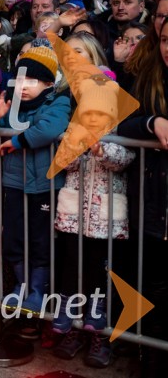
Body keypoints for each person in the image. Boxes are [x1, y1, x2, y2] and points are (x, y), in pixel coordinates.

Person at [52, 77, 134, 368]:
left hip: (105, 221)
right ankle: (72, 326)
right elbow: (65, 162)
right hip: (74, 217)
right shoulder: (73, 132)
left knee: (101, 273)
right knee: (73, 268)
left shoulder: (120, 134)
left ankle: (101, 336)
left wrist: (100, 149)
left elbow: (124, 159)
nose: (94, 117)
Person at [0, 46, 70, 309]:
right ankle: (21, 285)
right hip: (14, 183)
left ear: (48, 83)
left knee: (41, 240)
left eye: (32, 80)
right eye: (20, 79)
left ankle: (38, 290)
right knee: (14, 237)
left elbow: (49, 128)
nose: (24, 86)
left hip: (45, 185)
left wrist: (17, 141)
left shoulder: (58, 102)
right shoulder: (11, 103)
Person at [116, 19, 168, 376]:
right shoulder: (150, 79)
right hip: (155, 205)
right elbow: (123, 124)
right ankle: (150, 361)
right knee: (154, 288)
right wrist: (152, 123)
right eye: (164, 39)